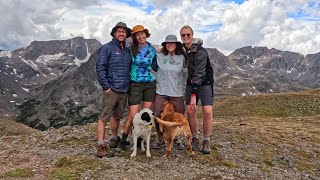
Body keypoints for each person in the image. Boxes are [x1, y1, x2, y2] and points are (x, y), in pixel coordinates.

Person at [95, 22, 132, 158]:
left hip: (124, 89)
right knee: (104, 116)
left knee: (117, 116)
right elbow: (100, 67)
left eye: (124, 32)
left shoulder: (127, 50)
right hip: (111, 89)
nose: (121, 33)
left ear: (126, 34)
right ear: (114, 33)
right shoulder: (107, 48)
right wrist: (106, 87)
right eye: (119, 31)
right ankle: (101, 146)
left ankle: (114, 138)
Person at [119, 25, 157, 149]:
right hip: (135, 84)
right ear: (134, 37)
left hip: (149, 84)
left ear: (146, 34)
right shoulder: (131, 49)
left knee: (146, 114)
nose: (141, 36)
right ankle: (123, 140)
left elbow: (156, 65)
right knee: (133, 115)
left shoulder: (152, 49)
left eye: (142, 34)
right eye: (137, 34)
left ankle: (140, 142)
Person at [180, 25, 214, 154]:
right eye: (183, 35)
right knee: (190, 111)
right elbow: (171, 47)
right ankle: (195, 137)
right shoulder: (183, 49)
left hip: (204, 83)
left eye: (188, 34)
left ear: (192, 35)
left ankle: (206, 140)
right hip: (191, 82)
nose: (186, 37)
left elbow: (199, 74)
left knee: (207, 111)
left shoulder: (200, 52)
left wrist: (194, 95)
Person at [152, 34, 188, 149]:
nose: (170, 45)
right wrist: (156, 48)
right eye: (168, 43)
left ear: (177, 45)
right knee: (157, 115)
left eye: (173, 43)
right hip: (161, 90)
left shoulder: (182, 57)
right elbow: (145, 45)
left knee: (179, 116)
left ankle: (176, 138)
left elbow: (192, 46)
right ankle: (160, 139)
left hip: (177, 92)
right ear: (165, 44)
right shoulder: (159, 55)